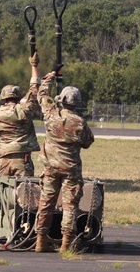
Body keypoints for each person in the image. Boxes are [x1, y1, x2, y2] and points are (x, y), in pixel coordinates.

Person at [33, 52, 94, 253]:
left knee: (46, 203)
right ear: (77, 103)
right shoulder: (80, 123)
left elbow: (41, 92)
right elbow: (88, 143)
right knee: (69, 206)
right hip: (71, 170)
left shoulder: (51, 114)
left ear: (62, 101)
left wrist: (52, 72)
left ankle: (40, 241)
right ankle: (66, 243)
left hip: (50, 167)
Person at [0, 56, 41, 177]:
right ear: (17, 97)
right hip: (21, 159)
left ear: (3, 98)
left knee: (4, 191)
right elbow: (34, 89)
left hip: (2, 159)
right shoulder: (22, 109)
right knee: (24, 192)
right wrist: (34, 65)